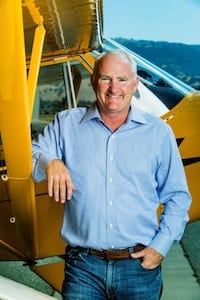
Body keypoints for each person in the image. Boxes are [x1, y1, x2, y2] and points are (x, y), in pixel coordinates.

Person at [32, 49, 191, 300]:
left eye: (122, 80)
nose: (113, 87)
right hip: (84, 266)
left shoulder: (158, 133)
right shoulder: (66, 124)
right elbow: (32, 153)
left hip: (138, 267)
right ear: (93, 80)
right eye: (106, 78)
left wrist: (160, 248)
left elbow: (179, 197)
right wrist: (49, 161)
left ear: (135, 84)